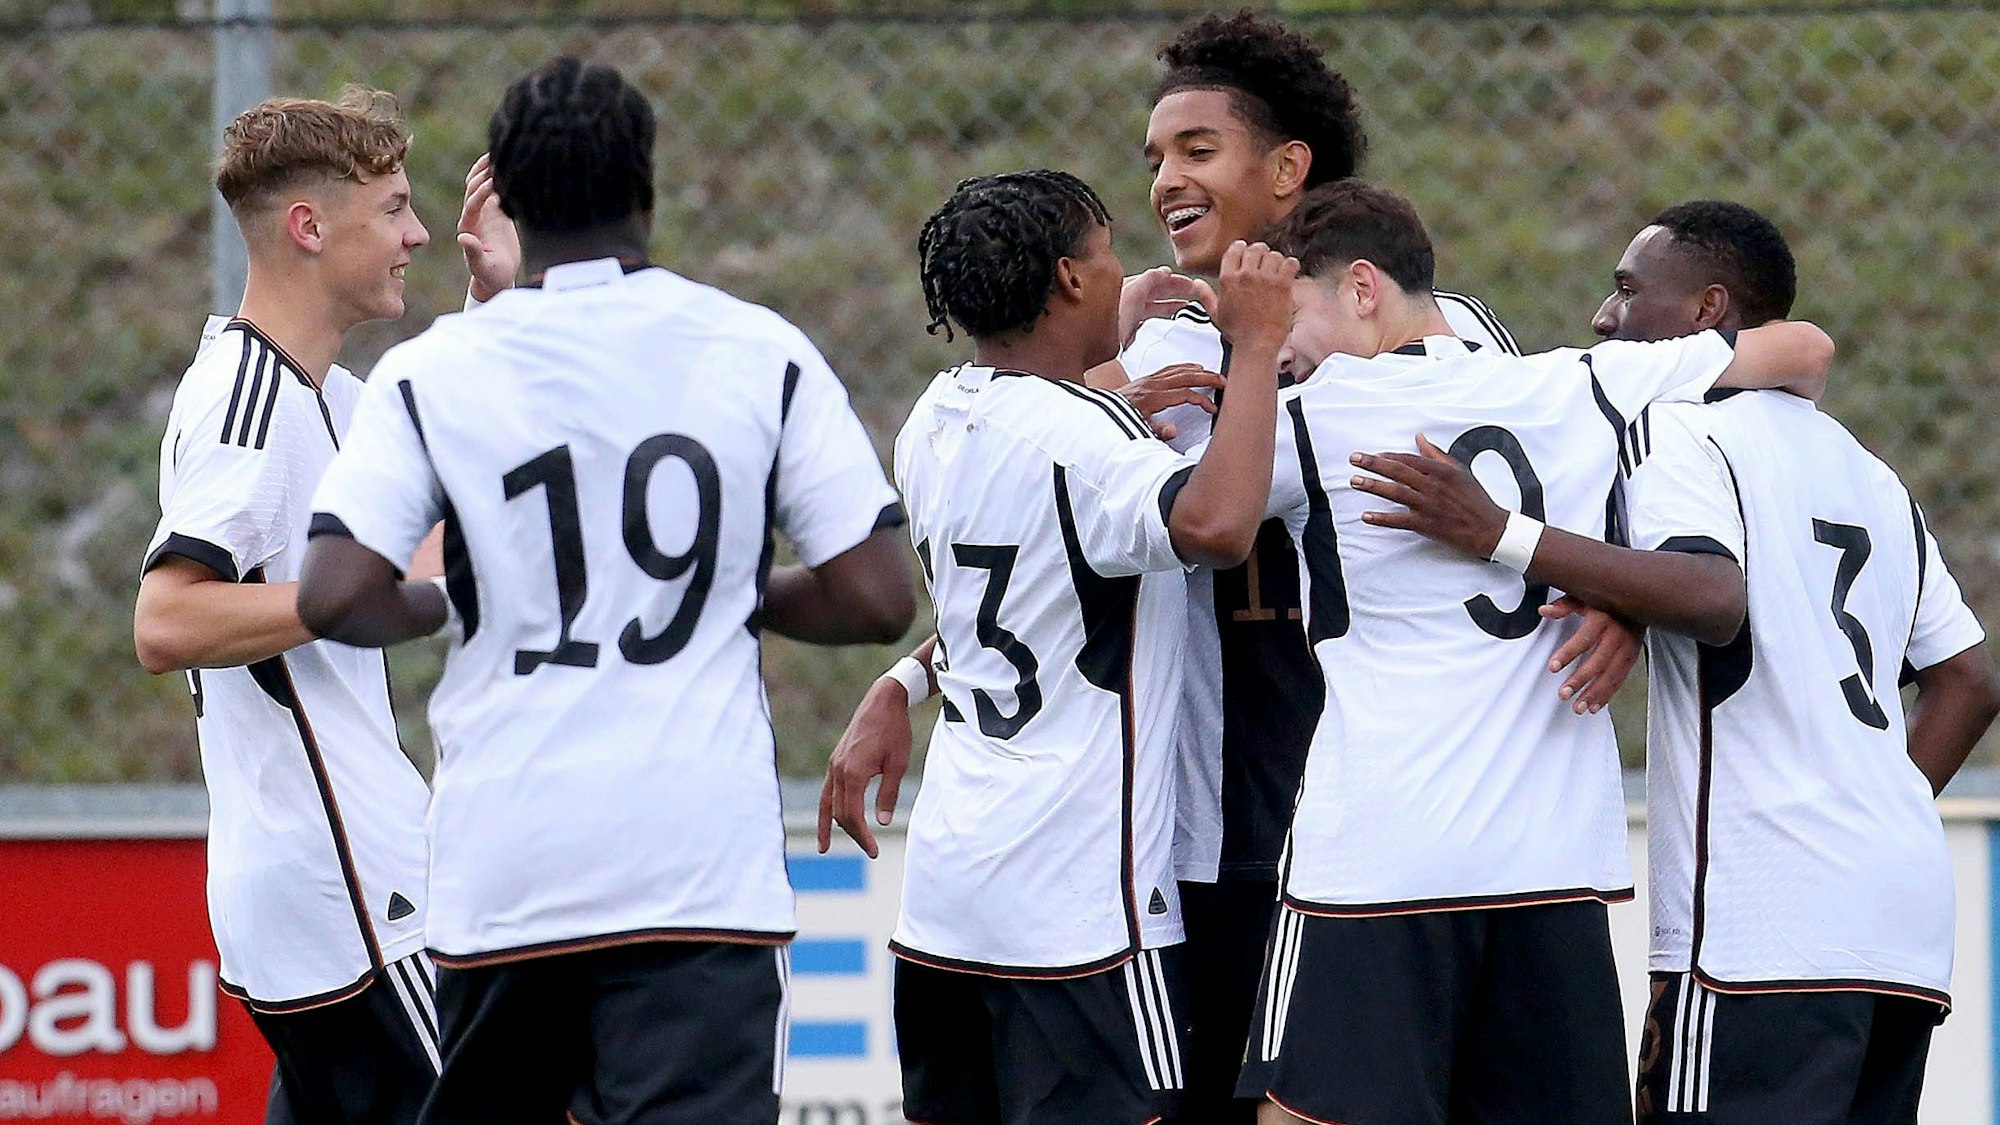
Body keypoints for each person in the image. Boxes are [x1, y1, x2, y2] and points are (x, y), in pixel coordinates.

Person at [294, 56, 914, 1125]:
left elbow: (334, 596)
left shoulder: (432, 370)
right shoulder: (754, 345)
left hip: (504, 870)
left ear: (508, 203)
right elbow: (874, 596)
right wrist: (721, 580)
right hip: (694, 870)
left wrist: (451, 599)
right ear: (648, 191)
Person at [1363, 200, 2000, 1124]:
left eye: (1627, 289)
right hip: (1899, 923)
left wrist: (1501, 531)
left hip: (1761, 930)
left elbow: (1709, 593)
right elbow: (1969, 679)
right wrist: (1875, 807)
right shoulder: (1868, 468)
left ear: (1708, 312)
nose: (1603, 315)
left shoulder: (1681, 428)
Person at [1237, 180, 1835, 1125]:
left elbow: (1198, 519)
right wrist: (1613, 588)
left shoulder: (1320, 411)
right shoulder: (1578, 384)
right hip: (1550, 867)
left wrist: (1233, 358)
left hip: (1378, 863)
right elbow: (1804, 348)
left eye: (1294, 313)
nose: (1289, 344)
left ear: (1359, 289)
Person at [853, 167, 1292, 1125]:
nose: (1124, 270)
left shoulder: (929, 422)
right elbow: (1216, 524)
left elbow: (1033, 571)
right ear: (1067, 278)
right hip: (1077, 917)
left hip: (945, 902)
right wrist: (1254, 349)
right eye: (1104, 257)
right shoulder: (1090, 437)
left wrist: (1112, 352)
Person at [133, 87, 510, 1124]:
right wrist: (340, 597)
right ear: (308, 227)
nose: (419, 234)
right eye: (392, 208)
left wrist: (493, 308)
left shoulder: (327, 397)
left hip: (323, 886)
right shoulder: (244, 404)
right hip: (348, 886)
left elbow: (437, 542)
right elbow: (166, 623)